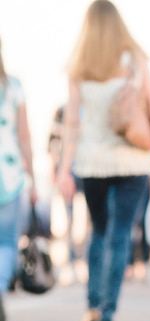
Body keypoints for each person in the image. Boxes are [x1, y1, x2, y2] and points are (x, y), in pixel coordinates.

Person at [56, 0, 150, 321]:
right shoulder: (133, 60)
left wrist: (64, 169)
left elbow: (71, 122)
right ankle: (107, 320)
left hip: (92, 162)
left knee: (97, 231)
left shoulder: (79, 65)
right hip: (133, 160)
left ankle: (92, 307)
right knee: (121, 234)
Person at [0, 36, 37, 321]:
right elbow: (24, 136)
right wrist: (33, 178)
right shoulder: (13, 87)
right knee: (7, 243)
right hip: (10, 172)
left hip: (9, 174)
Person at [48, 104, 90, 285]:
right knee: (70, 220)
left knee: (89, 221)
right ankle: (71, 262)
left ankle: (85, 261)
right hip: (69, 172)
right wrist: (55, 170)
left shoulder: (89, 109)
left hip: (88, 170)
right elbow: (53, 144)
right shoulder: (61, 111)